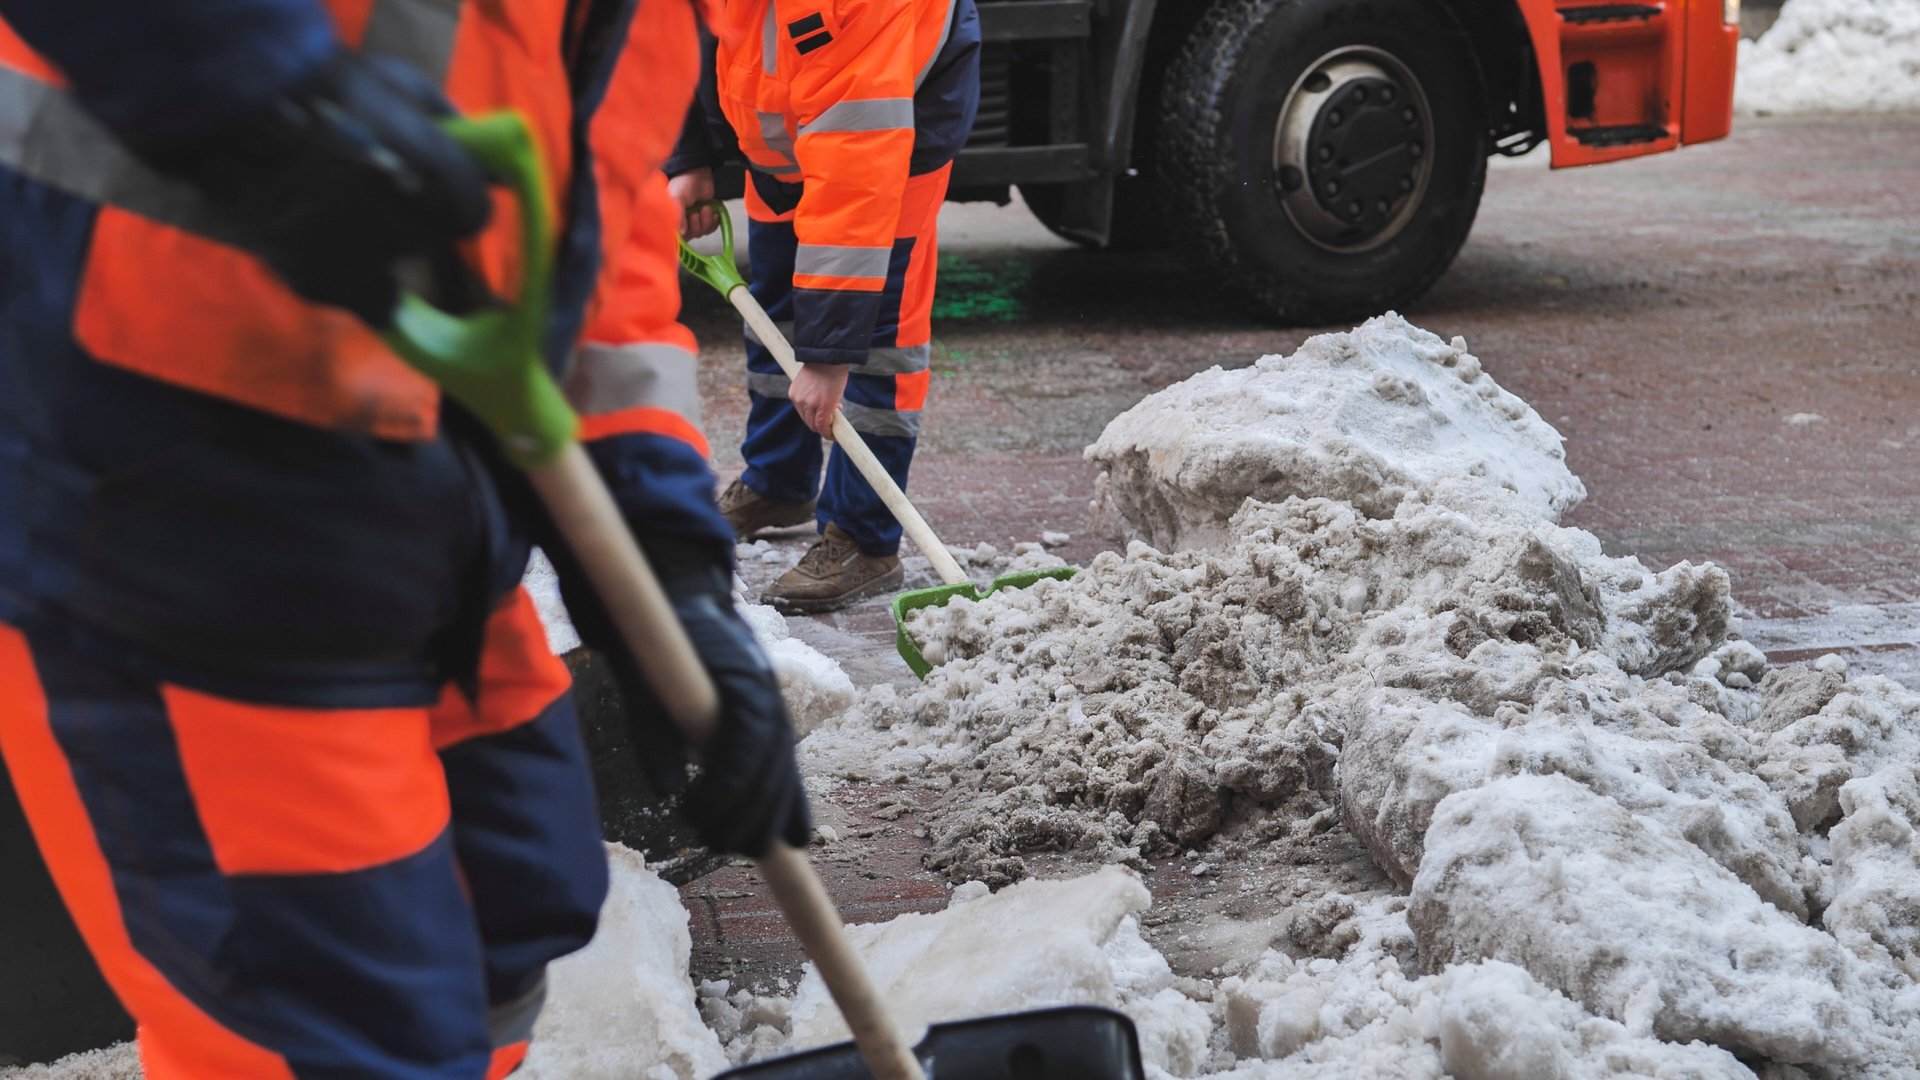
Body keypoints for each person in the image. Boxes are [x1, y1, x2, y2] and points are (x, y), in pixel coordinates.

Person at [0, 1, 808, 1076]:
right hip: (160, 514)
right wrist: (252, 75)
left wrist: (669, 565)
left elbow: (604, 279)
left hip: (416, 526)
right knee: (331, 1027)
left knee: (514, 908)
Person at [666, 0, 981, 613]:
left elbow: (854, 187)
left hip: (891, 138)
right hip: (781, 130)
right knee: (778, 304)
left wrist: (829, 359)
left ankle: (863, 536)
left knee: (877, 340)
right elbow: (678, 30)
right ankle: (778, 483)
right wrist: (689, 155)